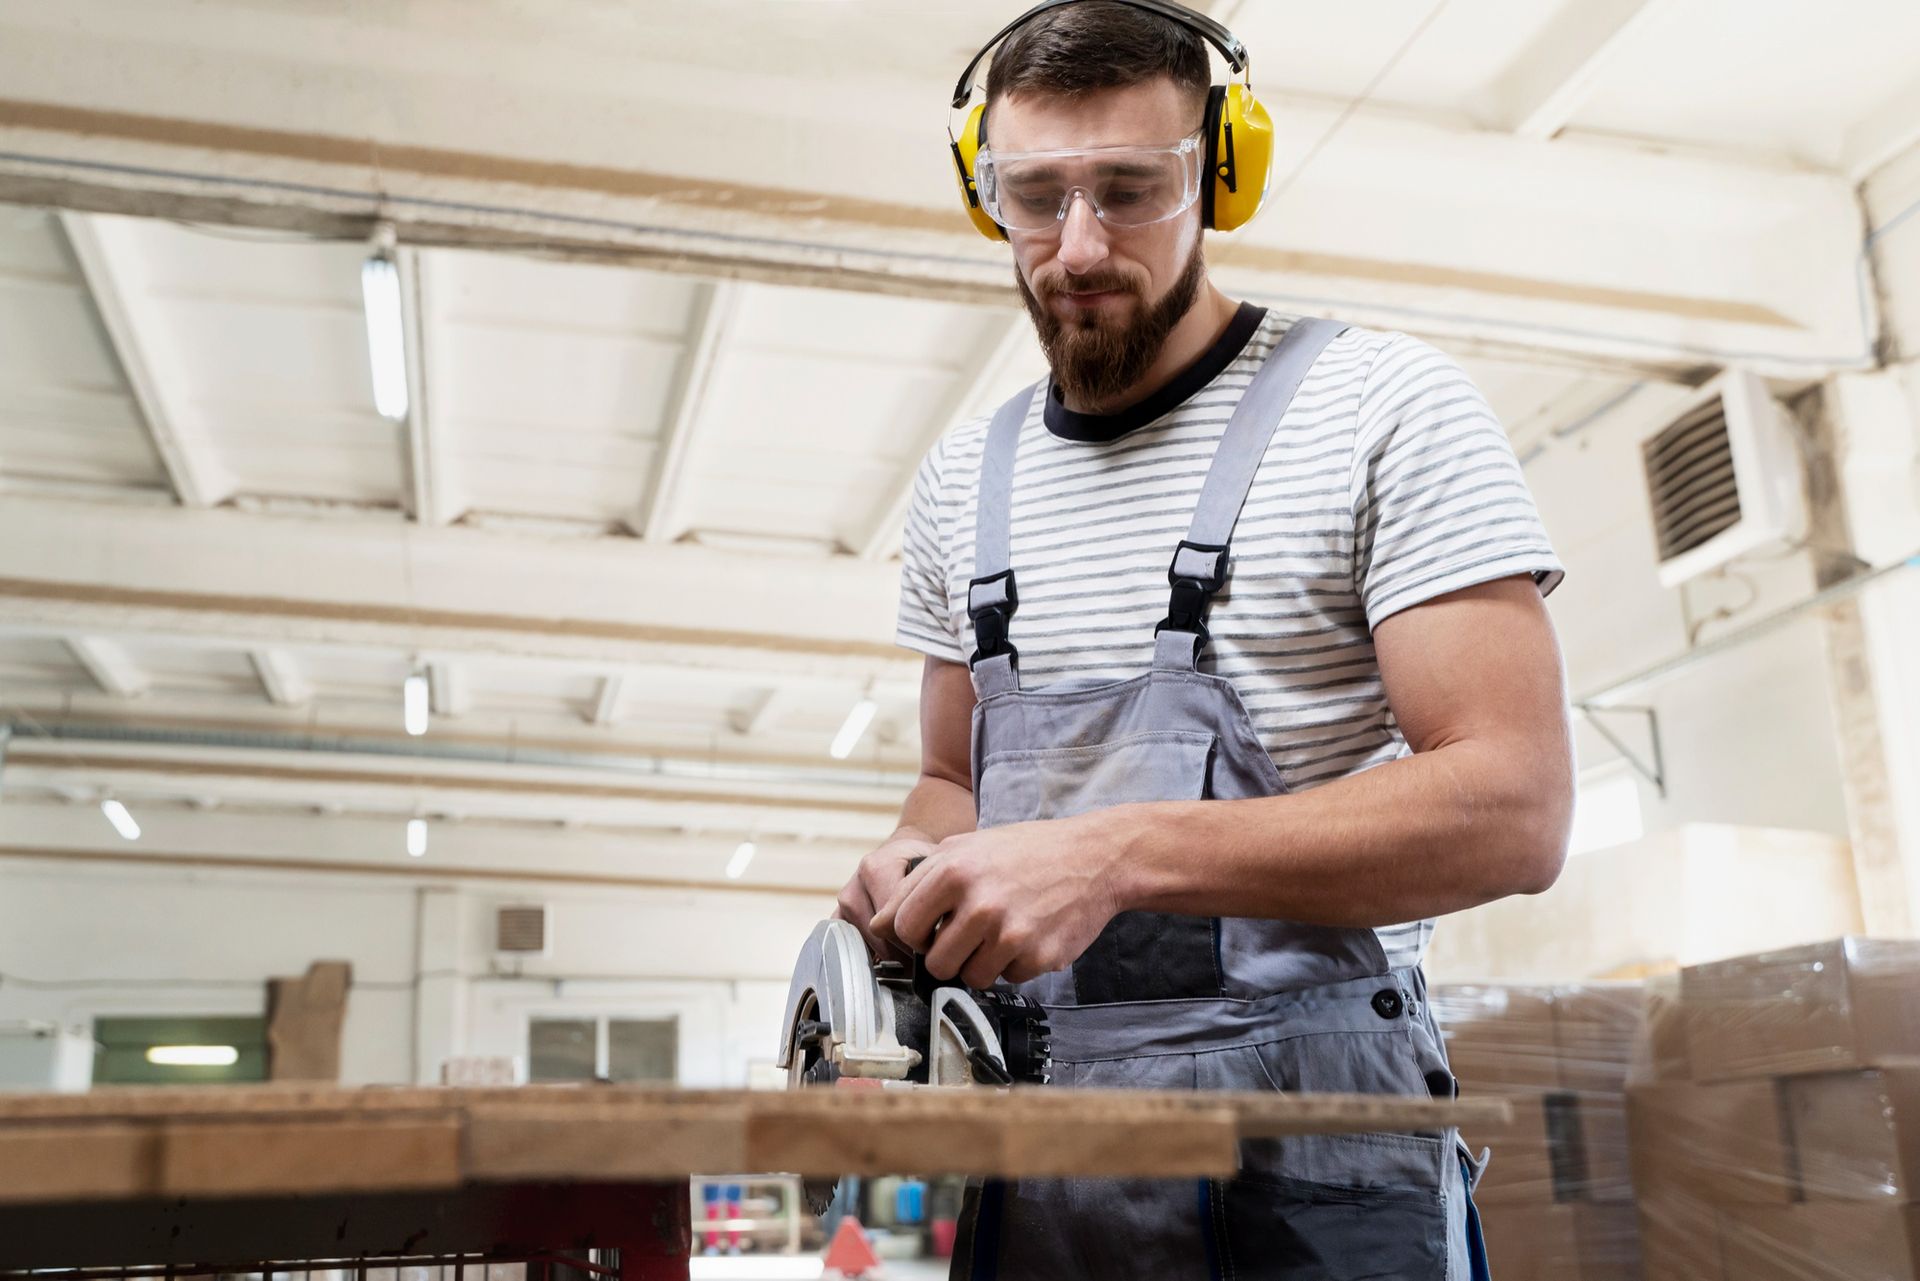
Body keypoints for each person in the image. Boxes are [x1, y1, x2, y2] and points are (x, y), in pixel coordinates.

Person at [834, 1, 1573, 1275]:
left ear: (1220, 174)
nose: (1076, 247)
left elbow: (1516, 808)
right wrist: (914, 861)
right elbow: (953, 784)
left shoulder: (1379, 407)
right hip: (1046, 1158)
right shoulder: (965, 478)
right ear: (983, 194)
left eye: (1131, 189)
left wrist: (1115, 855)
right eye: (1034, 196)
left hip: (1320, 1158)